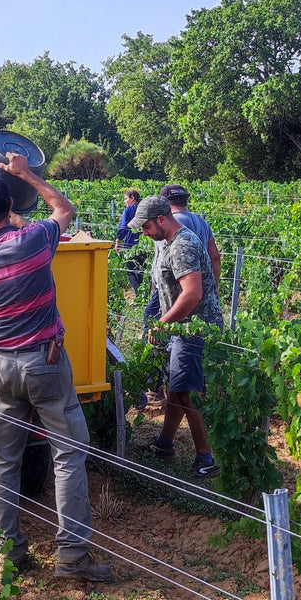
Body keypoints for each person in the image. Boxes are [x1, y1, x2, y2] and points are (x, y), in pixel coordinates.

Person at [0, 153, 113, 582]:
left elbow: (1, 232)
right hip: (44, 363)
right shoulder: (32, 241)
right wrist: (27, 174)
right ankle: (71, 555)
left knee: (5, 460)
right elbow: (64, 210)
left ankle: (10, 551)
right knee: (67, 454)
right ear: (10, 206)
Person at [130, 195, 222, 479]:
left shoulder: (181, 245)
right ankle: (165, 444)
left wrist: (162, 323)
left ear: (161, 219)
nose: (144, 233)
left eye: (145, 227)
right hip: (181, 326)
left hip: (193, 327)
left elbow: (192, 293)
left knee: (186, 391)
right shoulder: (171, 241)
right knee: (176, 386)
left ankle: (206, 459)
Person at [142, 184, 221, 321]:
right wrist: (214, 287)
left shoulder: (168, 225)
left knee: (152, 327)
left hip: (181, 297)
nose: (145, 233)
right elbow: (214, 257)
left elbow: (163, 261)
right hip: (202, 298)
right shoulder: (201, 221)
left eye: (146, 227)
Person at [114, 188, 145, 295]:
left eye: (126, 199)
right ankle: (144, 294)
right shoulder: (144, 209)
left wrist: (118, 239)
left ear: (133, 198)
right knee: (143, 271)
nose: (124, 201)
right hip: (145, 244)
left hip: (131, 244)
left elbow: (123, 227)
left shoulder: (128, 210)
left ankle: (137, 294)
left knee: (130, 271)